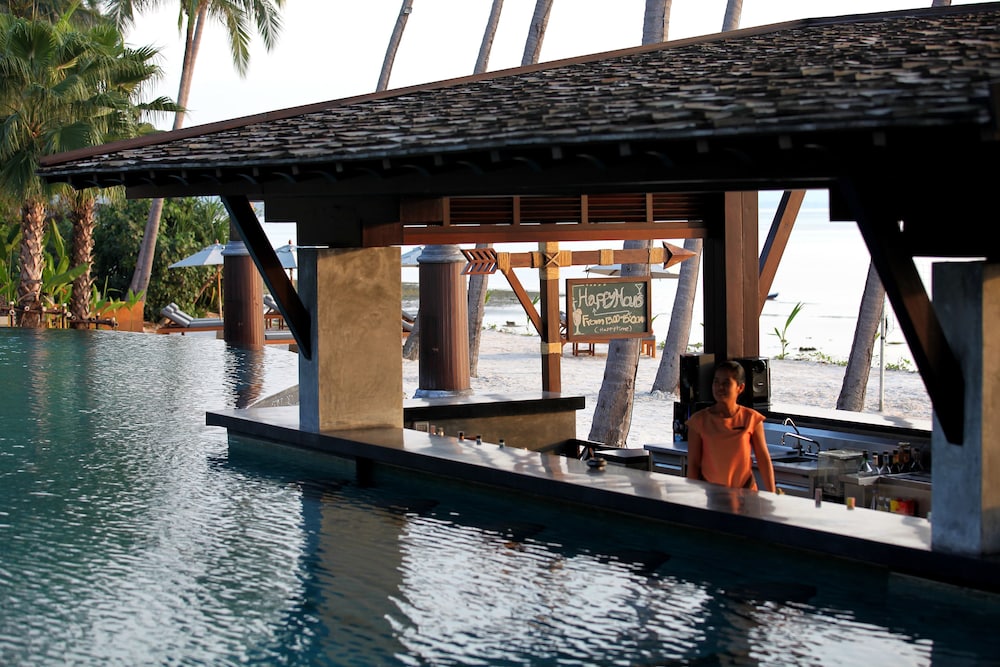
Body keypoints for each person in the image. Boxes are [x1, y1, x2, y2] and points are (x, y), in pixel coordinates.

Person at [686, 360, 777, 493]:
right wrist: (691, 497)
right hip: (712, 496)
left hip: (746, 494)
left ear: (740, 388)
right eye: (716, 382)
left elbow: (763, 459)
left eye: (726, 383)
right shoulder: (698, 421)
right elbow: (693, 464)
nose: (720, 387)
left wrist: (772, 494)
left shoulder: (751, 419)